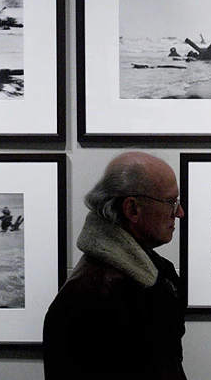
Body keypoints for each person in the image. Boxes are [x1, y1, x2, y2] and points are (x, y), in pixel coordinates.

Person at [43, 151, 187, 380]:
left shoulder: (152, 271)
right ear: (132, 209)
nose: (179, 213)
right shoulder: (90, 298)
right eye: (171, 202)